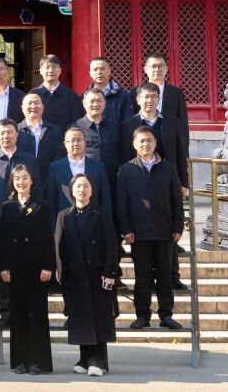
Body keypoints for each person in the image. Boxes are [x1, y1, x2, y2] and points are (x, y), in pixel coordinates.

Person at [116, 126, 184, 331]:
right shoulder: (126, 170)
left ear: (155, 143)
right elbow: (121, 204)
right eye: (141, 141)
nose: (145, 144)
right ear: (134, 144)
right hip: (138, 234)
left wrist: (178, 227)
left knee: (165, 276)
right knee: (142, 277)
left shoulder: (168, 168)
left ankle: (166, 315)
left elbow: (177, 201)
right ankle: (142, 315)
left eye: (149, 140)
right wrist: (126, 229)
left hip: (164, 232)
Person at [54, 173, 118, 377]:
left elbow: (111, 245)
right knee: (81, 317)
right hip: (75, 275)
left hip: (98, 274)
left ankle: (97, 360)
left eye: (86, 186)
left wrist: (110, 272)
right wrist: (61, 273)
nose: (82, 190)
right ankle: (84, 358)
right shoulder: (64, 215)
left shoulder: (102, 214)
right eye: (78, 186)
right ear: (72, 191)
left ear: (92, 190)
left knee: (99, 317)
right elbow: (59, 247)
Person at [0, 119, 39, 327]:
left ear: (17, 134)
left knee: (24, 266)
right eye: (2, 133)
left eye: (10, 132)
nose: (6, 136)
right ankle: (6, 311)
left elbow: (38, 191)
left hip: (24, 221)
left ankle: (24, 311)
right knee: (0, 268)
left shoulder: (30, 160)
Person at [0, 165, 54, 375]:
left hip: (37, 268)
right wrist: (3, 266)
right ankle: (21, 361)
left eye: (25, 178)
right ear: (12, 182)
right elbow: (3, 239)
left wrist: (48, 265)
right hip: (15, 269)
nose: (21, 182)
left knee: (37, 315)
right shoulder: (7, 206)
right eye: (17, 179)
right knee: (19, 315)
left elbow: (48, 239)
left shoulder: (42, 206)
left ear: (32, 181)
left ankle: (39, 362)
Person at [46, 126, 113, 219]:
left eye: (79, 140)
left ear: (85, 142)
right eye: (72, 140)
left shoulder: (98, 167)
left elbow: (106, 200)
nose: (76, 143)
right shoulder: (55, 168)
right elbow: (51, 201)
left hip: (94, 221)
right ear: (65, 144)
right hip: (66, 221)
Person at [72, 88, 122, 189]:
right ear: (84, 103)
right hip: (85, 181)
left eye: (99, 101)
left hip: (112, 179)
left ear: (104, 103)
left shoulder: (115, 127)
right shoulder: (75, 128)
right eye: (92, 101)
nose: (95, 104)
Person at [130, 51, 190, 125]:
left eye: (160, 66)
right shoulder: (134, 92)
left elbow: (183, 122)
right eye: (153, 66)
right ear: (145, 69)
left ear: (166, 68)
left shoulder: (177, 94)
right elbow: (131, 121)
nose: (157, 69)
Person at [17, 92, 66, 181]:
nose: (33, 106)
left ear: (43, 107)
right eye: (30, 103)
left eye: (37, 103)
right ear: (22, 108)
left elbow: (59, 158)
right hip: (22, 183)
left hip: (49, 181)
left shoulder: (55, 131)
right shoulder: (15, 131)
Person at [29, 54, 84, 130]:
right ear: (41, 71)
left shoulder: (71, 96)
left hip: (64, 137)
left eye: (54, 67)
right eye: (47, 67)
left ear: (60, 70)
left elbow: (77, 122)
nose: (51, 70)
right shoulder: (34, 94)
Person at [86, 56, 132, 128]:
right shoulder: (85, 97)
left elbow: (128, 122)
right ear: (90, 73)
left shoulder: (123, 95)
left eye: (102, 69)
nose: (99, 72)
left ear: (110, 71)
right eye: (95, 69)